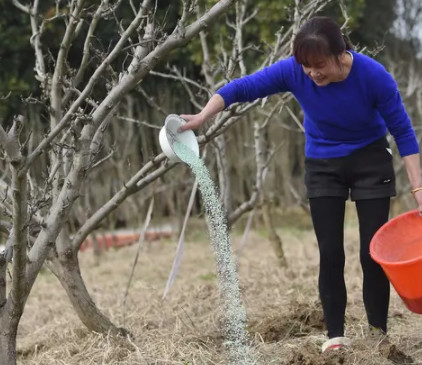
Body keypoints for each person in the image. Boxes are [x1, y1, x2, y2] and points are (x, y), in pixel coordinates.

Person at [178, 16, 422, 353]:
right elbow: (241, 87)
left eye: (319, 65)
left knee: (372, 255)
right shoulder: (295, 70)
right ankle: (335, 336)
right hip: (323, 165)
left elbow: (404, 133)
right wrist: (204, 115)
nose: (312, 73)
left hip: (370, 161)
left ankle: (378, 336)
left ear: (341, 54)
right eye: (306, 66)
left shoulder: (374, 76)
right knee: (331, 253)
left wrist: (418, 191)